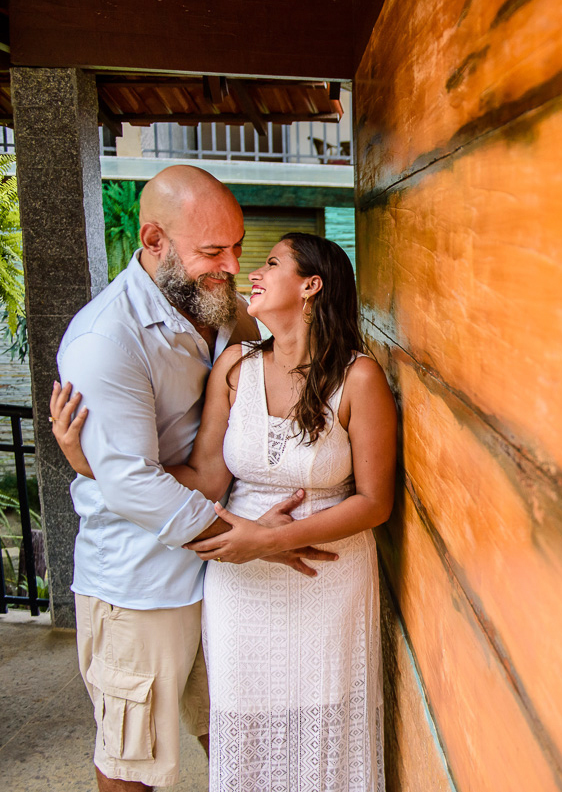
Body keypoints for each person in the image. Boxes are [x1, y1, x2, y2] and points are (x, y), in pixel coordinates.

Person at [53, 233, 396, 791]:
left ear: (311, 286)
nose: (250, 273)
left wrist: (275, 540)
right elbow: (206, 479)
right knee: (245, 724)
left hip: (328, 574)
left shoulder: (360, 378)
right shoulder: (236, 366)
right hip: (239, 582)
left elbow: (375, 502)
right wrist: (91, 462)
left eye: (270, 263)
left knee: (326, 721)